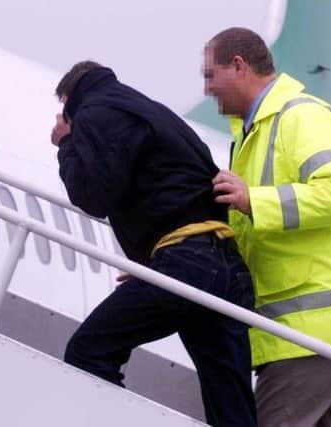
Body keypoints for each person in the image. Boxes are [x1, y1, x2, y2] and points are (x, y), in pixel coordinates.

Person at [203, 27, 331, 427]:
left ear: (239, 66)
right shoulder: (253, 134)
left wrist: (255, 200)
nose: (208, 88)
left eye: (212, 75)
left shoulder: (300, 116)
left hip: (316, 329)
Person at [50, 60, 257, 427]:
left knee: (89, 351)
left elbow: (94, 196)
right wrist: (157, 262)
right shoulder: (153, 112)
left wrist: (67, 144)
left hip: (187, 264)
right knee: (231, 409)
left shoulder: (96, 111)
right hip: (225, 268)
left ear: (70, 99)